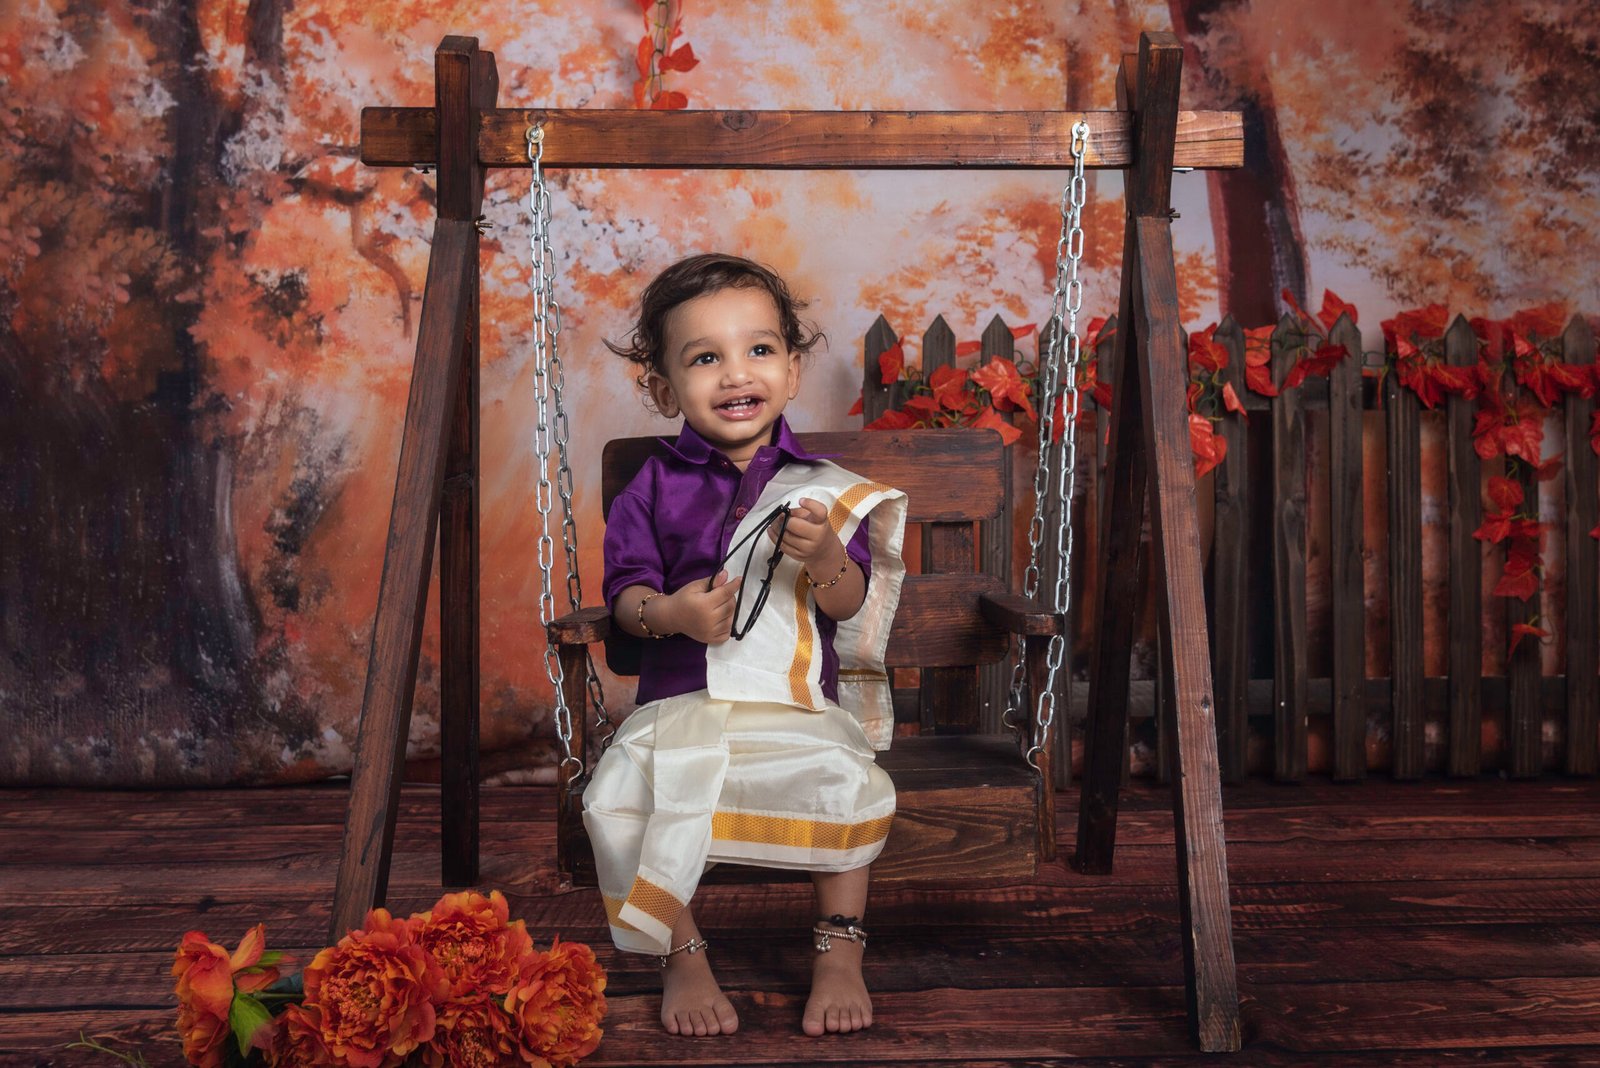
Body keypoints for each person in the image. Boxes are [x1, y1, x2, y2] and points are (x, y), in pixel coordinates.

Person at [583, 253, 908, 1039]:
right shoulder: (650, 489)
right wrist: (673, 614)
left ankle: (840, 949)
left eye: (759, 349)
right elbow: (626, 600)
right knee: (622, 798)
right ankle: (682, 953)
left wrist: (824, 555)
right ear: (666, 390)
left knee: (845, 781)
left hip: (792, 706)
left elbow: (849, 603)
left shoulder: (822, 489)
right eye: (705, 357)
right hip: (680, 706)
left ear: (792, 373)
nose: (736, 373)